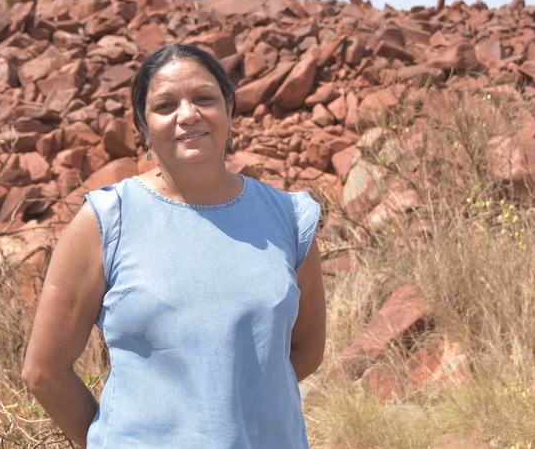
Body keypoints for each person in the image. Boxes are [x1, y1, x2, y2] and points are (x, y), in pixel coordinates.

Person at [21, 43, 326, 448]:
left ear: (229, 108)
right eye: (165, 106)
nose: (188, 115)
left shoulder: (287, 218)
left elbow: (305, 351)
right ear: (143, 126)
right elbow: (44, 370)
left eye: (204, 98)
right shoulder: (106, 220)